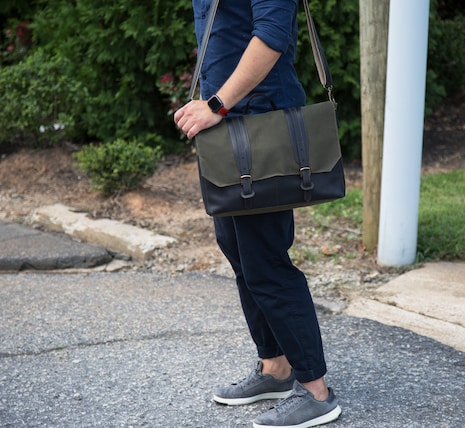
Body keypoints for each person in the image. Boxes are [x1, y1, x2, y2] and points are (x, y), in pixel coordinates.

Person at [173, 0, 341, 427]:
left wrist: (215, 105)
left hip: (259, 122)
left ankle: (316, 392)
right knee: (238, 250)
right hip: (229, 125)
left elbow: (271, 36)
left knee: (265, 260)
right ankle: (276, 368)